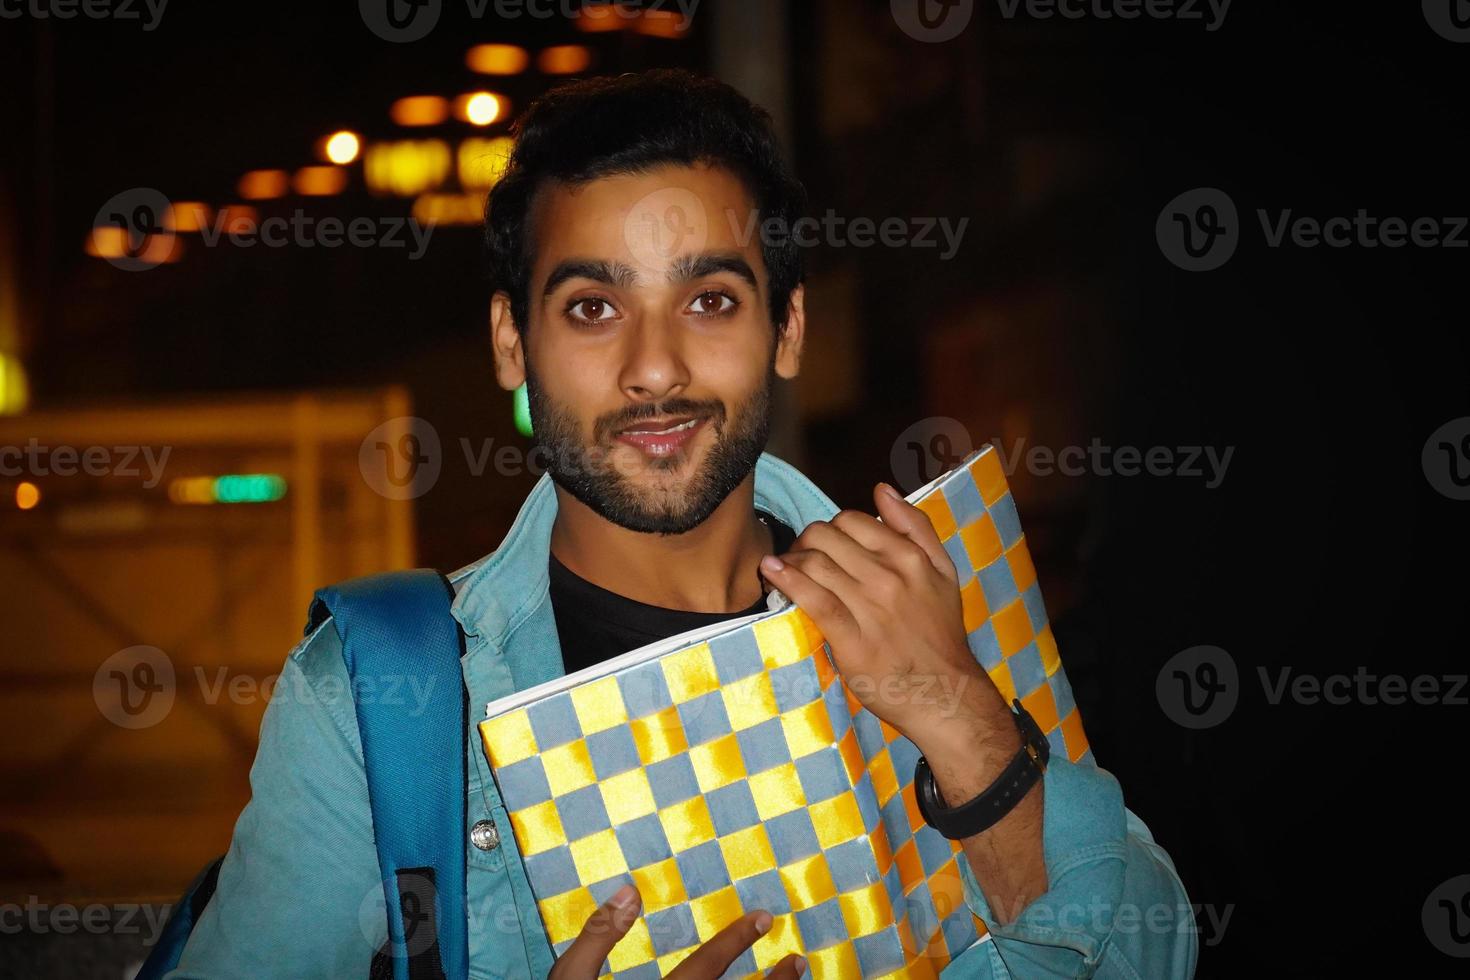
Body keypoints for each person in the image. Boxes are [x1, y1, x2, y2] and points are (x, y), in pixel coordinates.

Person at [171, 69, 1197, 978]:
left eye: (709, 299)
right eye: (590, 308)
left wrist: (966, 721)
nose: (655, 367)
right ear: (508, 341)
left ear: (786, 328)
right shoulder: (379, 699)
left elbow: (1155, 957)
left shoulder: (931, 594)